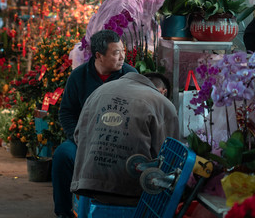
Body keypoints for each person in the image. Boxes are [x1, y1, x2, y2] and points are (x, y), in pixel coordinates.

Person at [46, 29, 137, 218]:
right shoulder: (79, 76)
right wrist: (78, 137)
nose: (122, 57)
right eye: (115, 53)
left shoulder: (130, 76)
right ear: (99, 56)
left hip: (118, 143)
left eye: (122, 51)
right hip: (84, 141)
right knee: (62, 155)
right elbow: (66, 112)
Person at [71, 72, 179, 207]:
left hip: (89, 185)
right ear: (164, 92)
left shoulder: (99, 91)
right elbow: (169, 156)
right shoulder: (162, 103)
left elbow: (78, 135)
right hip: (132, 191)